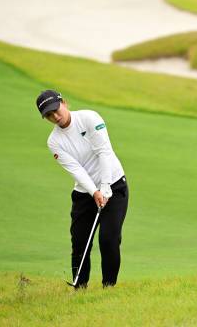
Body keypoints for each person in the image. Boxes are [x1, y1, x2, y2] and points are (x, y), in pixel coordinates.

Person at [36, 89, 129, 289]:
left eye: (56, 110)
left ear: (64, 103)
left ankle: (108, 287)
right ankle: (80, 287)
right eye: (49, 115)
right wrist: (94, 192)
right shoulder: (54, 142)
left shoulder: (89, 118)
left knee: (108, 239)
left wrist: (104, 186)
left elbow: (103, 151)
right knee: (79, 242)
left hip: (114, 184)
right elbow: (76, 170)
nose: (55, 116)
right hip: (84, 193)